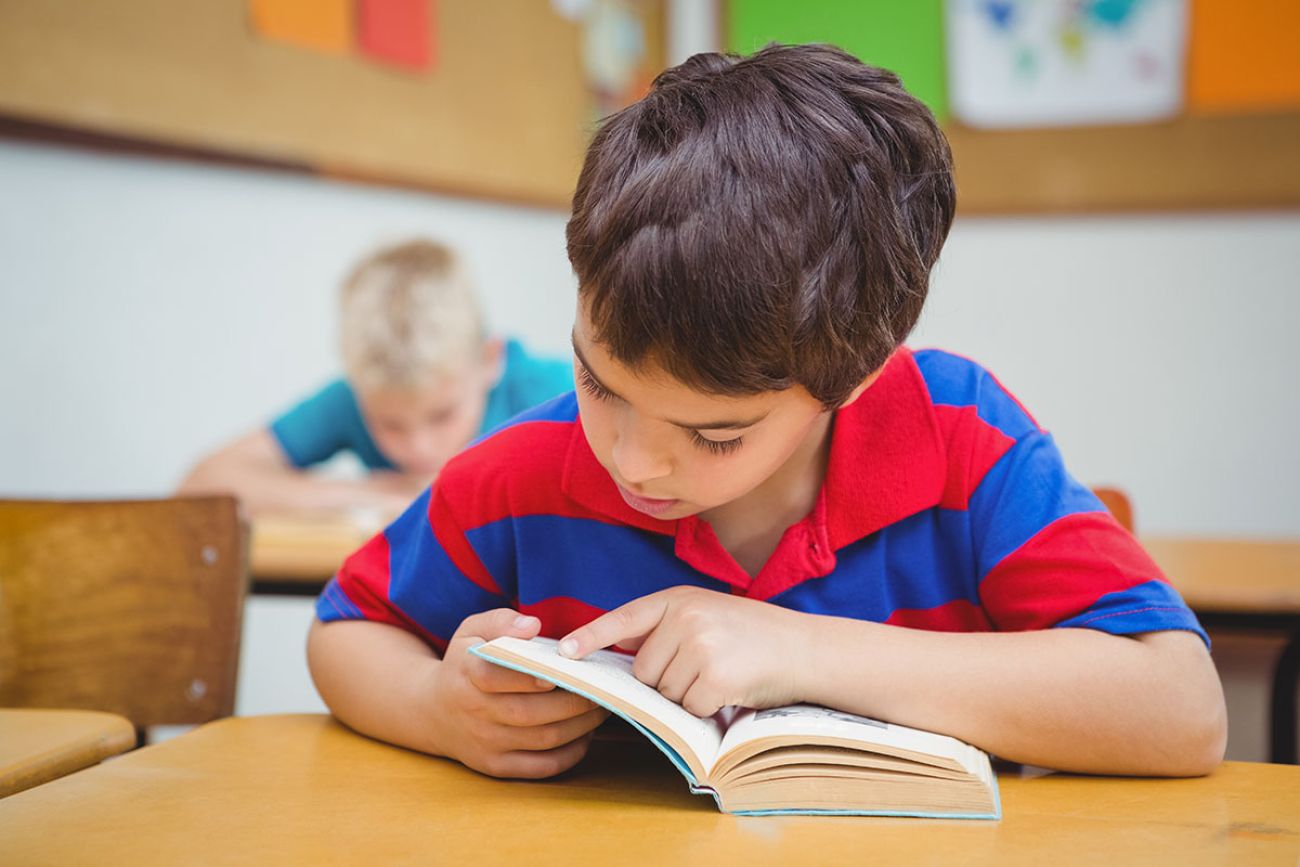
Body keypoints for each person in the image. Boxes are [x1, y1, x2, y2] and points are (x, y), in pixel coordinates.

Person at [307, 45, 1226, 781]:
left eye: (713, 433)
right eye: (599, 382)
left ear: (858, 372)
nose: (630, 461)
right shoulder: (530, 467)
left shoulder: (958, 434)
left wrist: (801, 649)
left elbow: (1183, 712)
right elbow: (346, 628)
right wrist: (437, 707)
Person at [179, 239, 572, 517]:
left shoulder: (554, 393)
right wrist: (362, 493)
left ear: (490, 361)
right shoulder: (357, 395)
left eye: (442, 415)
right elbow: (203, 485)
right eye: (390, 425)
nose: (419, 447)